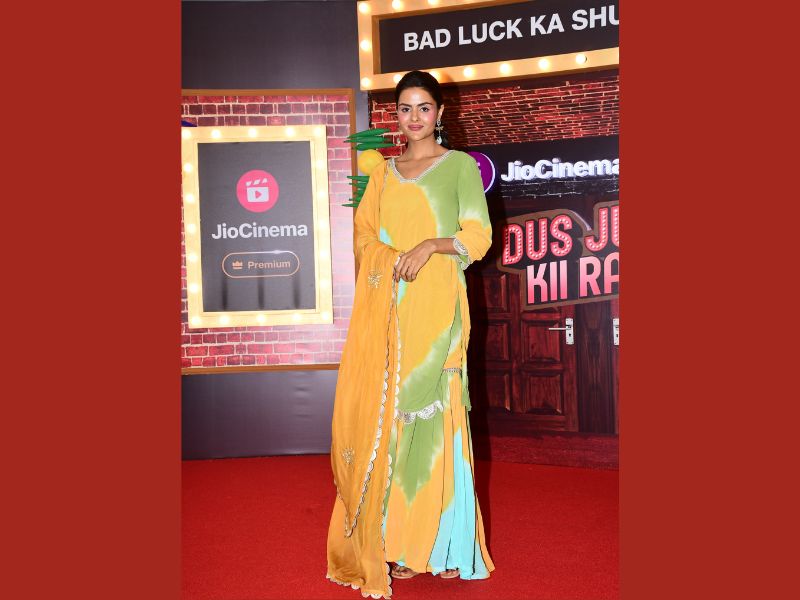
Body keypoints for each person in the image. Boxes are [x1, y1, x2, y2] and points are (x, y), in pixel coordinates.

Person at [326, 70, 494, 599]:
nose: (414, 117)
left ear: (440, 113)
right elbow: (363, 238)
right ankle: (398, 542)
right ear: (395, 115)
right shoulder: (383, 174)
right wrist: (392, 257)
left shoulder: (459, 167)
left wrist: (431, 245)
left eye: (424, 107)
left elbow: (479, 236)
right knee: (391, 424)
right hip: (389, 315)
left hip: (438, 312)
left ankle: (445, 545)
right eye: (405, 108)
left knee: (437, 422)